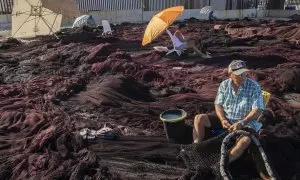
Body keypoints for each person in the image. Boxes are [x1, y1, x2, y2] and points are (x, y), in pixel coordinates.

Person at [193, 60, 264, 163]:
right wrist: (222, 119)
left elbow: (257, 110)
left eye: (244, 72)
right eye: (239, 73)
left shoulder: (254, 87)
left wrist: (242, 122)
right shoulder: (224, 85)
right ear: (230, 74)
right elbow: (218, 104)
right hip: (226, 118)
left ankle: (223, 163)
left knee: (244, 141)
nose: (243, 75)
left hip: (245, 122)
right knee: (199, 118)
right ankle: (196, 148)